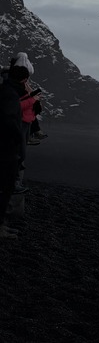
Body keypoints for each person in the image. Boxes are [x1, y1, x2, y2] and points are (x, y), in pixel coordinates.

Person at [0, 63, 28, 238]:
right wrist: (19, 139)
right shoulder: (10, 95)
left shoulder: (5, 90)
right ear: (24, 80)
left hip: (4, 149)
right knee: (4, 189)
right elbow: (9, 121)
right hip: (5, 151)